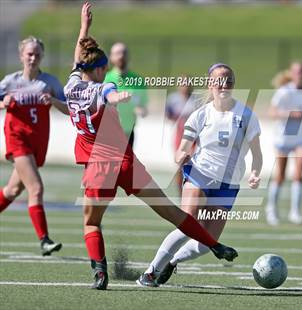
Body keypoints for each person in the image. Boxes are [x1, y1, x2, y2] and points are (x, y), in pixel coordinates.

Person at [65, 3, 237, 290]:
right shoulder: (101, 88)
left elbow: (79, 61)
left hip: (98, 166)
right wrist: (115, 94)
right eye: (105, 69)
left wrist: (84, 29)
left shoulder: (71, 86)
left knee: (92, 223)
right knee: (170, 210)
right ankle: (214, 244)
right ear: (99, 69)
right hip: (123, 160)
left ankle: (99, 272)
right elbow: (105, 90)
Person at [140, 63, 262, 287]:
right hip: (200, 174)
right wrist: (180, 157)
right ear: (210, 84)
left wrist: (255, 173)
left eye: (228, 80)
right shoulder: (200, 115)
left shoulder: (247, 115)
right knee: (188, 224)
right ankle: (150, 272)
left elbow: (257, 153)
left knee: (207, 242)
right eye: (218, 80)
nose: (224, 84)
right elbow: (182, 148)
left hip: (229, 184)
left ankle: (173, 261)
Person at [0, 36, 68, 256]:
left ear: (42, 57)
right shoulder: (10, 81)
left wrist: (54, 101)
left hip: (37, 142)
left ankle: (44, 239)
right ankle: (44, 240)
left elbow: (69, 109)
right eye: (29, 53)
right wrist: (3, 103)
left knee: (12, 190)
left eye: (37, 54)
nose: (33, 57)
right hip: (17, 139)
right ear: (21, 56)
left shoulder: (49, 82)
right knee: (36, 188)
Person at [265, 62, 302, 225]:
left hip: (300, 138)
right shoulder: (284, 91)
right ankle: (271, 210)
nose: (299, 75)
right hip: (283, 138)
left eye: (301, 72)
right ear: (291, 74)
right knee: (280, 176)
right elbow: (271, 112)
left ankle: (295, 212)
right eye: (296, 72)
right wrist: (290, 114)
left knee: (299, 175)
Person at [104, 42, 148, 147]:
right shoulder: (105, 79)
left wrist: (141, 110)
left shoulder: (138, 80)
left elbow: (144, 108)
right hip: (107, 133)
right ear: (111, 57)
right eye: (117, 53)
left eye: (124, 53)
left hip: (128, 133)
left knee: (126, 164)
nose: (121, 56)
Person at [165, 80, 198, 193]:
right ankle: (181, 193)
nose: (185, 87)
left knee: (193, 165)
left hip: (194, 138)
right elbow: (168, 114)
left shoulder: (196, 101)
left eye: (187, 84)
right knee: (180, 164)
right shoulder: (173, 99)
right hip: (179, 135)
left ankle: (193, 192)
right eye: (183, 84)